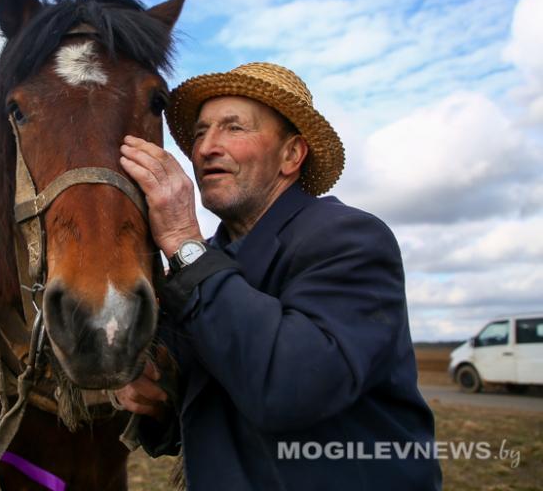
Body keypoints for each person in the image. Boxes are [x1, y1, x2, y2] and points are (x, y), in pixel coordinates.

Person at [115, 62, 441, 490]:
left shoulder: (350, 239)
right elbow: (204, 409)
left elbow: (290, 390)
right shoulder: (201, 262)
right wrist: (156, 396)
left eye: (234, 128)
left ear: (292, 155)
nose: (206, 147)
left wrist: (180, 237)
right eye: (199, 132)